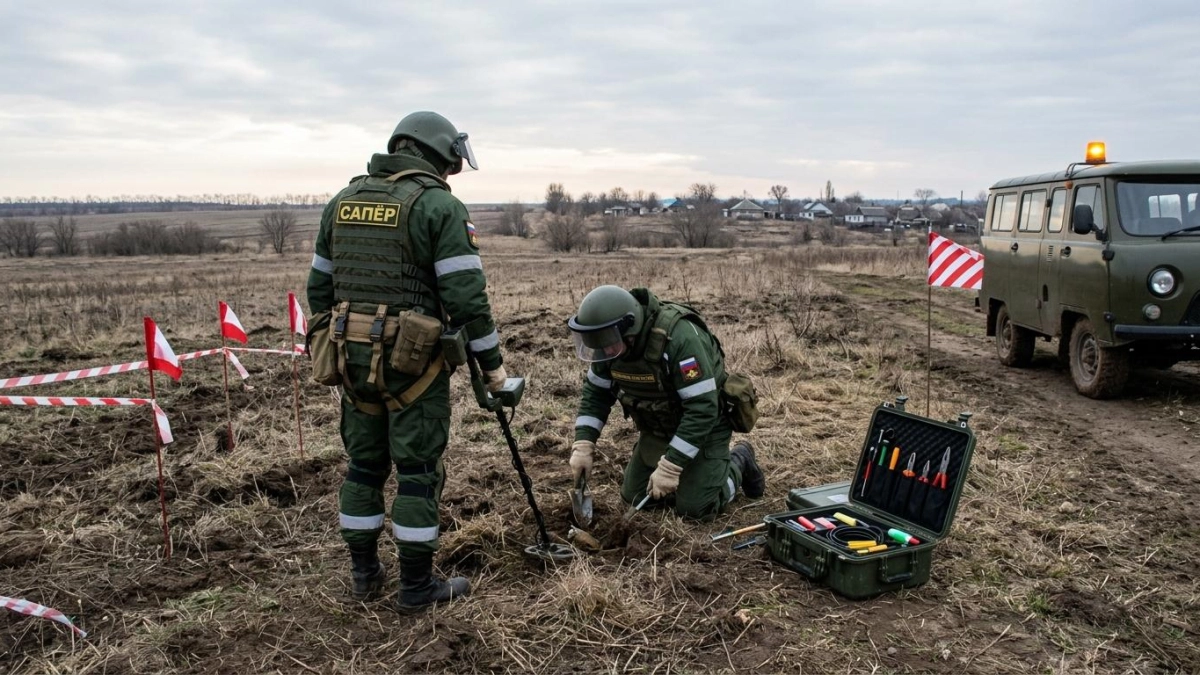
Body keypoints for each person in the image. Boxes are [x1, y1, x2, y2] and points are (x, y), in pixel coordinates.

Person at [307, 111, 506, 613]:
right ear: (437, 153)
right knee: (417, 471)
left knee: (363, 467)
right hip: (412, 366)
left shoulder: (342, 202)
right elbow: (467, 299)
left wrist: (339, 341)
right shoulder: (438, 206)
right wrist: (493, 366)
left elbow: (319, 290)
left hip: (350, 365)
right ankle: (417, 588)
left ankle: (364, 575)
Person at [565, 285, 764, 518]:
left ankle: (738, 463)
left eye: (607, 340)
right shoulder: (610, 347)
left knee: (696, 509)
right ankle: (686, 471)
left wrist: (671, 466)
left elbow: (703, 409)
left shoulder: (680, 339)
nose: (603, 348)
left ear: (630, 330)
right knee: (635, 496)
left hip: (705, 429)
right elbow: (596, 394)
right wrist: (584, 445)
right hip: (658, 427)